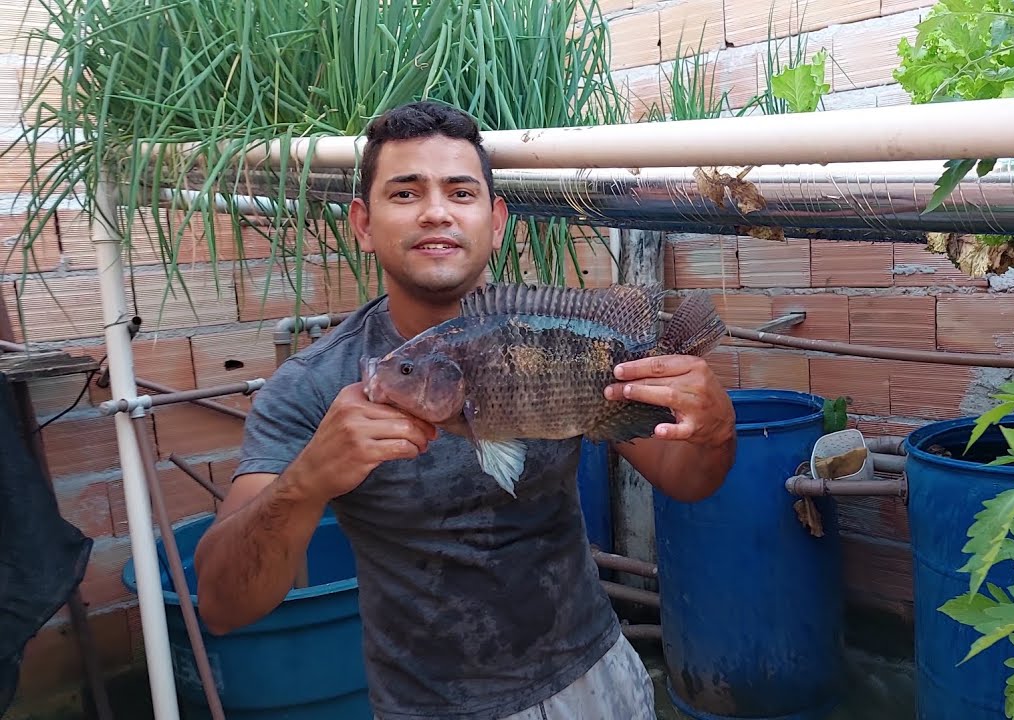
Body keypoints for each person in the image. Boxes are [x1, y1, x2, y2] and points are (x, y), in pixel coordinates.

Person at [192, 99, 737, 720]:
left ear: (496, 221)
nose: (435, 212)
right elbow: (222, 605)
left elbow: (690, 480)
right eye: (405, 193)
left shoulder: (556, 336)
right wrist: (305, 482)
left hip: (593, 681)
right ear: (363, 225)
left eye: (460, 192)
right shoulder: (312, 388)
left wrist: (717, 429)